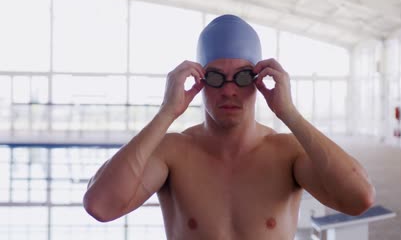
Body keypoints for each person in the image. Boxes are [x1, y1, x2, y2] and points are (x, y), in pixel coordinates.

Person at [83, 14, 375, 239]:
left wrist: (290, 114)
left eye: (243, 77)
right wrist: (166, 113)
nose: (229, 90)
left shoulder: (288, 152)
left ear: (261, 80)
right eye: (215, 78)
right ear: (198, 82)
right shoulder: (173, 152)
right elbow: (101, 205)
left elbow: (359, 198)